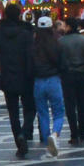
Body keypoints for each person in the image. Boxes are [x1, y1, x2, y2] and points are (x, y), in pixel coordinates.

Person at [0, 4, 37, 158]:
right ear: (19, 15)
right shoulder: (26, 34)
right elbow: (30, 57)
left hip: (7, 77)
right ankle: (25, 133)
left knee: (13, 113)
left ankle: (19, 143)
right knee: (30, 109)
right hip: (25, 77)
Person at [31, 15, 66, 157]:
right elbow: (62, 63)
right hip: (53, 79)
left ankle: (47, 143)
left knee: (42, 113)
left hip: (38, 81)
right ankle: (55, 134)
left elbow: (29, 65)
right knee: (58, 112)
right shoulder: (56, 43)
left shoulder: (33, 45)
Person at [58, 19, 84, 147]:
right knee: (83, 104)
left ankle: (74, 133)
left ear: (68, 26)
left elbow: (58, 60)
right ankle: (83, 131)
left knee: (70, 105)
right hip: (82, 75)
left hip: (67, 76)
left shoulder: (61, 42)